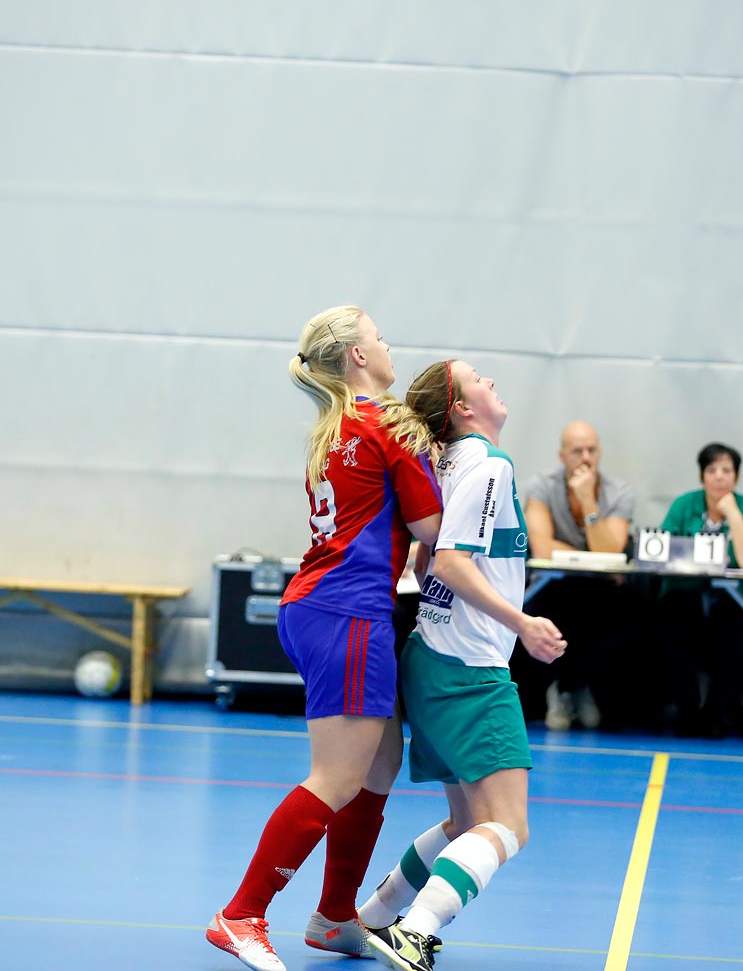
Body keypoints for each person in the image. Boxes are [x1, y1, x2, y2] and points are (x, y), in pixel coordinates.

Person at [207, 307, 444, 971]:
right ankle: (241, 913)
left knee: (378, 766)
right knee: (338, 776)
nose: (388, 342)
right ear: (358, 357)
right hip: (348, 613)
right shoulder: (386, 423)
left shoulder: (335, 427)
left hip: (323, 606)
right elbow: (431, 527)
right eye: (379, 335)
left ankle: (335, 915)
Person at [356, 359, 566, 971]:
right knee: (508, 826)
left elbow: (425, 560)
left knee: (465, 819)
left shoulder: (445, 464)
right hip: (470, 671)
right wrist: (521, 623)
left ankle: (372, 916)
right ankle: (415, 929)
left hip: (432, 657)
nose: (492, 381)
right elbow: (446, 564)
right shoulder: (488, 464)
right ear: (461, 407)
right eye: (479, 377)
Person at [514, 421, 636, 730]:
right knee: (554, 604)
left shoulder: (619, 492)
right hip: (555, 584)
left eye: (591, 450)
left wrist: (588, 503)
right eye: (577, 451)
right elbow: (541, 548)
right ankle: (561, 691)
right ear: (561, 456)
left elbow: (611, 552)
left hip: (602, 587)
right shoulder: (541, 487)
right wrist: (594, 551)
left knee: (619, 613)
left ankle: (581, 689)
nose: (585, 457)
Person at [655, 443, 743, 737]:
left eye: (726, 470)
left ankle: (717, 712)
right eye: (712, 470)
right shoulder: (684, 505)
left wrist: (732, 513)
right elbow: (660, 553)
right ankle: (687, 709)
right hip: (686, 596)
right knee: (669, 623)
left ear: (737, 477)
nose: (719, 477)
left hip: (735, 600)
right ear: (701, 475)